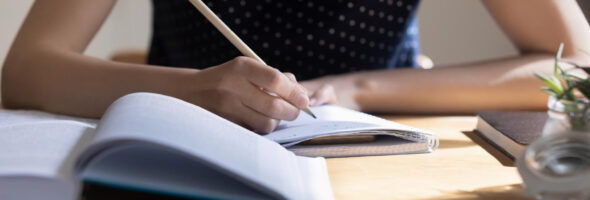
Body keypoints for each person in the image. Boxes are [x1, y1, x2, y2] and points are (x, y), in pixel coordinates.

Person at [2, 0, 589, 134]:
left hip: (378, 153)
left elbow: (578, 66)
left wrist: (357, 87)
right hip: (188, 148)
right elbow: (25, 70)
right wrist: (196, 92)